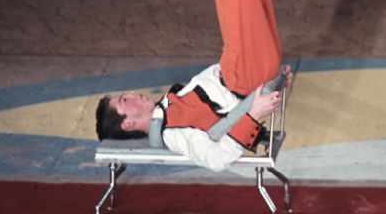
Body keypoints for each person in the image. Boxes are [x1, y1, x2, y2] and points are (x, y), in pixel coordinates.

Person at [95, 65, 292, 173]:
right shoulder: (172, 132)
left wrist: (259, 76)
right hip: (240, 81)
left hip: (239, 74)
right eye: (125, 100)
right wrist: (254, 113)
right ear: (128, 124)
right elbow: (216, 160)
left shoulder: (168, 105)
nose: (132, 92)